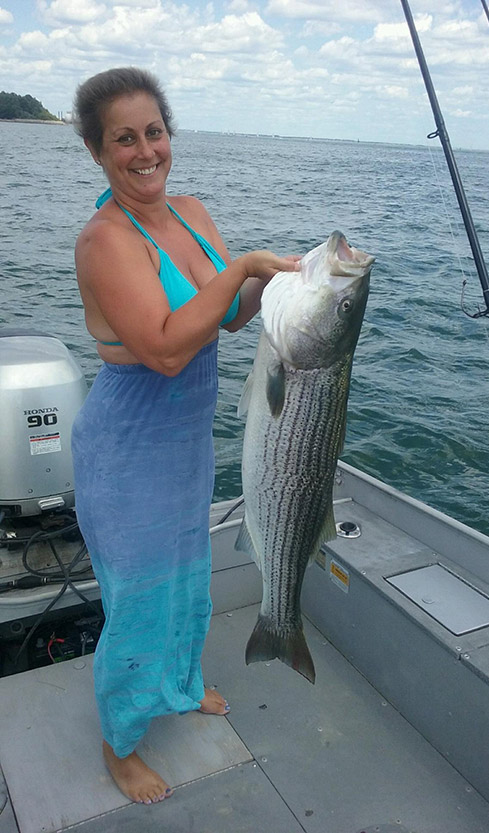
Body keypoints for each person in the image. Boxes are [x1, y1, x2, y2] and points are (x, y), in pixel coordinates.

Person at [70, 66, 300, 807]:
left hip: (185, 446)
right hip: (128, 447)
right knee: (139, 597)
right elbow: (168, 348)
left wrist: (290, 283)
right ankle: (120, 738)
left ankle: (178, 681)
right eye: (123, 139)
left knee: (186, 577)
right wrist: (240, 267)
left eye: (155, 132)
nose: (145, 152)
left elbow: (228, 316)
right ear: (97, 152)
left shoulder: (194, 212)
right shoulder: (105, 240)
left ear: (171, 134)